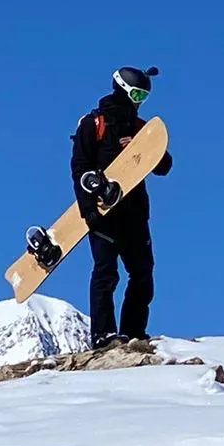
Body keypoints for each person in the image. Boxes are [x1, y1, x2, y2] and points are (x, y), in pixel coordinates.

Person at [71, 65, 173, 348]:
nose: (140, 101)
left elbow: (164, 166)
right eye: (137, 93)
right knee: (106, 272)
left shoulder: (142, 129)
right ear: (124, 88)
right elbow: (79, 167)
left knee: (143, 274)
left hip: (136, 213)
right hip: (103, 213)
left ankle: (133, 332)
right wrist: (88, 210)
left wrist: (142, 149)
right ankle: (103, 335)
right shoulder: (93, 124)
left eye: (145, 95)